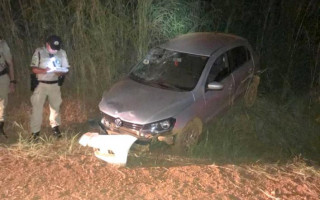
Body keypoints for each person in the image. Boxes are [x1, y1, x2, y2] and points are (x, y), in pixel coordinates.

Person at [30, 35, 70, 140]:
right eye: (52, 47)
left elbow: (66, 69)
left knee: (55, 107)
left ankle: (55, 128)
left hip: (55, 84)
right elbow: (34, 69)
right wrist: (45, 70)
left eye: (56, 48)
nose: (54, 50)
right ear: (47, 44)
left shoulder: (62, 53)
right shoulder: (39, 52)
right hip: (41, 84)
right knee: (37, 108)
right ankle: (35, 132)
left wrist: (60, 72)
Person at [0, 37, 15, 138]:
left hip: (2, 77)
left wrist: (12, 81)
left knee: (2, 104)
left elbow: (10, 63)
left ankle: (0, 129)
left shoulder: (2, 44)